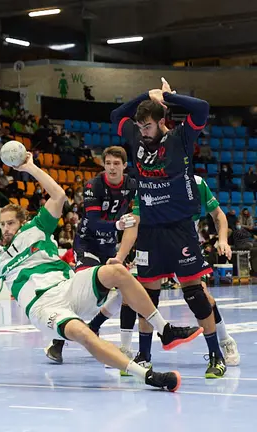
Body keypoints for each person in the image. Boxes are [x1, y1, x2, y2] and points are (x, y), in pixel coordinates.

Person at [0, 152, 203, 392]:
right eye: (1, 224)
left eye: (10, 223)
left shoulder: (37, 229)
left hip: (68, 286)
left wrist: (31, 167)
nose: (5, 228)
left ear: (22, 222)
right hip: (43, 306)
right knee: (83, 334)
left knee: (118, 272)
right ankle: (147, 376)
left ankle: (164, 330)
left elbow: (59, 195)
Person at [110, 78, 226, 378]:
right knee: (146, 298)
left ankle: (216, 355)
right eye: (140, 126)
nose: (143, 131)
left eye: (148, 125)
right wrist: (143, 97)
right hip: (150, 228)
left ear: (161, 121)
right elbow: (115, 117)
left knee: (195, 295)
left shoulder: (181, 138)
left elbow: (202, 108)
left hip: (179, 227)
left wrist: (168, 96)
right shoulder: (136, 137)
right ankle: (145, 355)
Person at [45, 146, 138, 363]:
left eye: (117, 163)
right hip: (87, 243)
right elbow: (95, 222)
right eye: (108, 163)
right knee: (85, 293)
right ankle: (58, 341)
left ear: (125, 166)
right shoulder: (93, 185)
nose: (112, 168)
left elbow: (136, 216)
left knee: (127, 291)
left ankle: (94, 326)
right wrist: (118, 224)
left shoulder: (132, 185)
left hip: (109, 247)